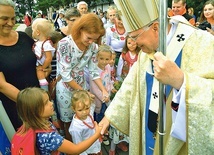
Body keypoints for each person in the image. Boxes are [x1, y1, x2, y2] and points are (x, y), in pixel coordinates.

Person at [99, 0, 214, 155]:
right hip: (148, 130)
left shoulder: (203, 43)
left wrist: (181, 81)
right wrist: (110, 117)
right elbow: (131, 85)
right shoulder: (147, 50)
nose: (133, 42)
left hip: (179, 141)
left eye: (135, 37)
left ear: (155, 28)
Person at [56, 13, 110, 141]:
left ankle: (84, 145)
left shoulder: (93, 47)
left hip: (81, 86)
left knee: (84, 118)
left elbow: (93, 71)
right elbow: (65, 75)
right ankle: (72, 148)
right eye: (89, 37)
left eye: (94, 39)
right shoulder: (65, 44)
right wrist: (84, 91)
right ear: (80, 29)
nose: (91, 42)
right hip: (65, 89)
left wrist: (103, 90)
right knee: (69, 122)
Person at [15, 87, 102, 154]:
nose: (51, 103)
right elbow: (75, 150)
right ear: (35, 111)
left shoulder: (36, 123)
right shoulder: (48, 137)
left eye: (49, 100)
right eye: (46, 103)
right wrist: (96, 134)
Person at [0, 0, 39, 130]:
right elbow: (2, 85)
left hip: (38, 100)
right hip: (16, 106)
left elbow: (37, 62)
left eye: (13, 18)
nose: (11, 23)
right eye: (4, 19)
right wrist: (29, 103)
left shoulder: (23, 37)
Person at [69, 90, 102, 155]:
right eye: (80, 110)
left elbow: (92, 104)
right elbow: (78, 146)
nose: (84, 112)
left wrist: (92, 97)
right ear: (73, 109)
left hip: (96, 145)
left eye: (87, 108)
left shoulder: (90, 110)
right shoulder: (75, 128)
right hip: (88, 151)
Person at [32, 18, 55, 91]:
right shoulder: (38, 42)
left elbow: (49, 58)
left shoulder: (46, 44)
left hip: (43, 64)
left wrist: (43, 67)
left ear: (38, 32)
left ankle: (44, 89)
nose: (32, 32)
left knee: (40, 73)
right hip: (40, 62)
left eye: (33, 30)